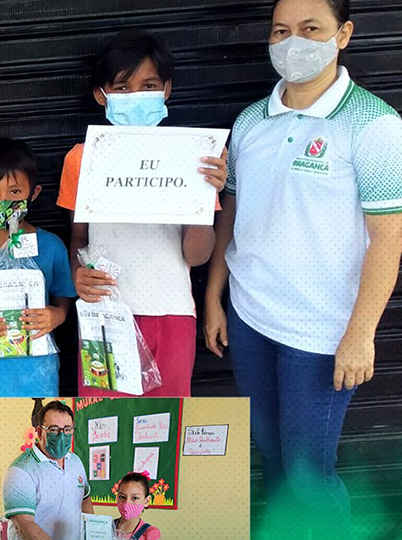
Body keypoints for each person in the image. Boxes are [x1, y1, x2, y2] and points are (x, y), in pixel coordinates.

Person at [204, 1, 402, 537]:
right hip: (251, 319)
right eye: (281, 31)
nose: (294, 42)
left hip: (321, 333)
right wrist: (215, 297)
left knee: (309, 473)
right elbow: (232, 214)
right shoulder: (250, 121)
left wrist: (361, 333)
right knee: (272, 459)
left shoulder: (374, 125)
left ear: (344, 34)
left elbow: (388, 237)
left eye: (311, 29)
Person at [55, 30, 227, 397]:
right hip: (105, 314)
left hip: (172, 311)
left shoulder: (194, 157)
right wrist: (76, 275)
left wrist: (204, 195)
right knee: (103, 422)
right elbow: (79, 236)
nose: (135, 96)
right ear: (101, 95)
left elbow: (197, 255)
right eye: (122, 88)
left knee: (165, 423)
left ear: (166, 89)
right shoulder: (81, 159)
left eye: (148, 85)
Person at [0, 138, 76, 396]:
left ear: (34, 193)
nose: (4, 201)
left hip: (38, 372)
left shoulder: (51, 246)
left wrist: (58, 315)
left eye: (15, 192)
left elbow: (63, 294)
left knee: (36, 421)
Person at [3, 400, 92, 540]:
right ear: (40, 432)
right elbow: (23, 525)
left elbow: (85, 500)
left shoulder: (76, 462)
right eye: (54, 430)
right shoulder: (20, 470)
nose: (62, 436)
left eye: (67, 429)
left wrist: (92, 533)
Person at [112, 472, 160, 540]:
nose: (127, 502)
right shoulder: (106, 527)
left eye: (135, 498)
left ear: (146, 501)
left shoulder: (149, 534)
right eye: (122, 497)